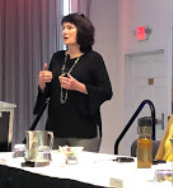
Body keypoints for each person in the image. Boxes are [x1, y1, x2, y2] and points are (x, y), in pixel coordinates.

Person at [34, 13, 113, 153]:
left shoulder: (94, 59)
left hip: (83, 130)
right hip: (56, 128)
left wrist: (79, 87)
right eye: (63, 28)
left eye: (70, 27)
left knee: (80, 173)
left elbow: (106, 92)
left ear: (81, 31)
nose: (64, 31)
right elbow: (48, 93)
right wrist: (42, 82)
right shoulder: (57, 57)